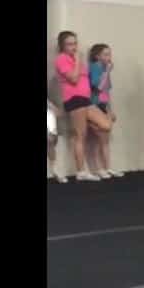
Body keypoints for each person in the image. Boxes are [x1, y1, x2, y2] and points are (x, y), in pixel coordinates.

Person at [54, 31, 112, 181]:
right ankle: (81, 171)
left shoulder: (76, 59)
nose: (74, 47)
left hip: (86, 100)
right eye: (70, 44)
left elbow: (86, 80)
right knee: (81, 135)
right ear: (63, 46)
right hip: (74, 99)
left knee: (105, 125)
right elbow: (73, 78)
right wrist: (78, 60)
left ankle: (92, 168)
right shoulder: (61, 59)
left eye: (75, 43)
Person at [86, 43, 123, 179]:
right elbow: (97, 89)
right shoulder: (95, 67)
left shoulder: (104, 68)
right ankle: (98, 168)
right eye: (106, 54)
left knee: (104, 138)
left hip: (102, 105)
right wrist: (107, 71)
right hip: (93, 105)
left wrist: (110, 109)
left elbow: (106, 92)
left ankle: (107, 167)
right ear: (97, 56)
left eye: (110, 54)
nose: (109, 57)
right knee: (97, 137)